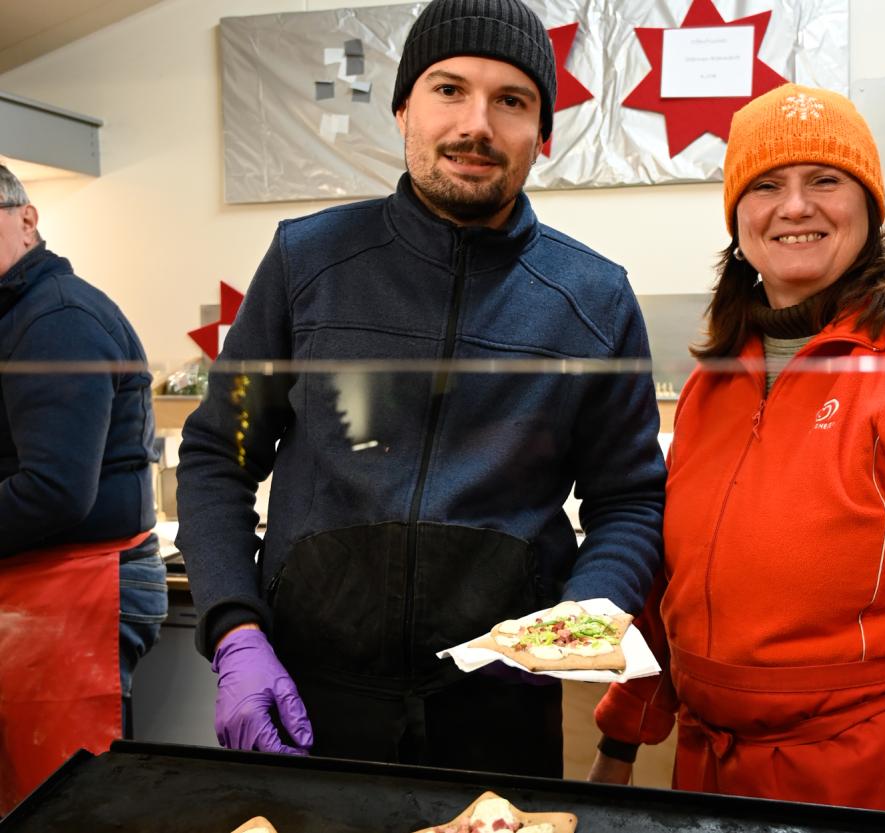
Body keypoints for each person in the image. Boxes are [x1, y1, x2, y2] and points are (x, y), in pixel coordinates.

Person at [174, 0, 665, 778]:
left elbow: (632, 498)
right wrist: (235, 628)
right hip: (304, 695)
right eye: (449, 90)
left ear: (542, 133)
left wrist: (582, 615)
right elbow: (216, 455)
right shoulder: (308, 263)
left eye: (511, 101)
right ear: (403, 107)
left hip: (502, 709)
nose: (478, 124)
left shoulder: (594, 300)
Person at [588, 83, 885, 822]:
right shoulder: (716, 382)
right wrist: (621, 737)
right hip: (707, 781)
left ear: (869, 205)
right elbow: (674, 590)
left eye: (824, 181)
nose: (794, 207)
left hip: (861, 786)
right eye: (766, 186)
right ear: (739, 219)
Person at [0, 164, 166, 813]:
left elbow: (52, 489)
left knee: (68, 799)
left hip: (79, 584)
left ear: (26, 218)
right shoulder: (19, 313)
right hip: (41, 586)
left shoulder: (55, 318)